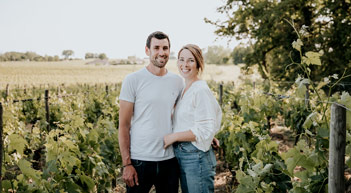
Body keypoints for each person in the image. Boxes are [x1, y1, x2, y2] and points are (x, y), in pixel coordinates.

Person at [118, 31, 183, 193]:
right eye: (157, 48)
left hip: (170, 160)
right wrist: (127, 164)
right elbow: (124, 126)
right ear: (147, 51)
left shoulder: (177, 82)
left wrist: (205, 134)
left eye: (165, 48)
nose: (162, 52)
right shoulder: (133, 80)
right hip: (140, 161)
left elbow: (184, 116)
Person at [163, 44, 222, 193]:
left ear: (198, 64)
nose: (185, 64)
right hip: (184, 154)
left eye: (190, 60)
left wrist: (174, 137)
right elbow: (194, 121)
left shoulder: (200, 89)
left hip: (196, 157)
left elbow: (205, 129)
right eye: (181, 59)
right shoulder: (184, 88)